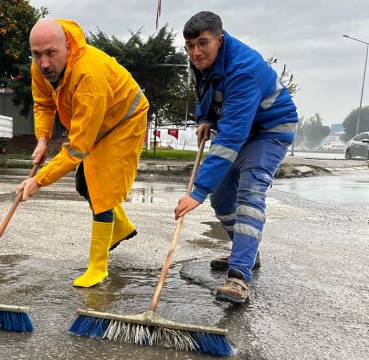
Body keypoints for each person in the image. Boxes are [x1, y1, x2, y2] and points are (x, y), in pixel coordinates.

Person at [174, 11, 297, 304]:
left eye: (202, 43)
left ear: (220, 38)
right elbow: (205, 93)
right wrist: (204, 118)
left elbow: (231, 138)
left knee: (250, 193)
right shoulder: (200, 61)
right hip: (239, 127)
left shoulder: (243, 69)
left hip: (269, 130)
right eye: (190, 45)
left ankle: (239, 276)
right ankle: (247, 251)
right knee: (222, 199)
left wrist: (198, 191)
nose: (196, 52)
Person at [17, 19, 149, 288]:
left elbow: (77, 149)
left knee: (101, 189)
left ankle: (98, 268)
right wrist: (42, 138)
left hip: (124, 120)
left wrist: (38, 180)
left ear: (67, 46)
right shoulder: (41, 68)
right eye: (37, 54)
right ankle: (121, 227)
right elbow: (43, 102)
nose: (43, 63)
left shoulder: (89, 75)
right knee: (83, 183)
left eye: (50, 53)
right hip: (97, 122)